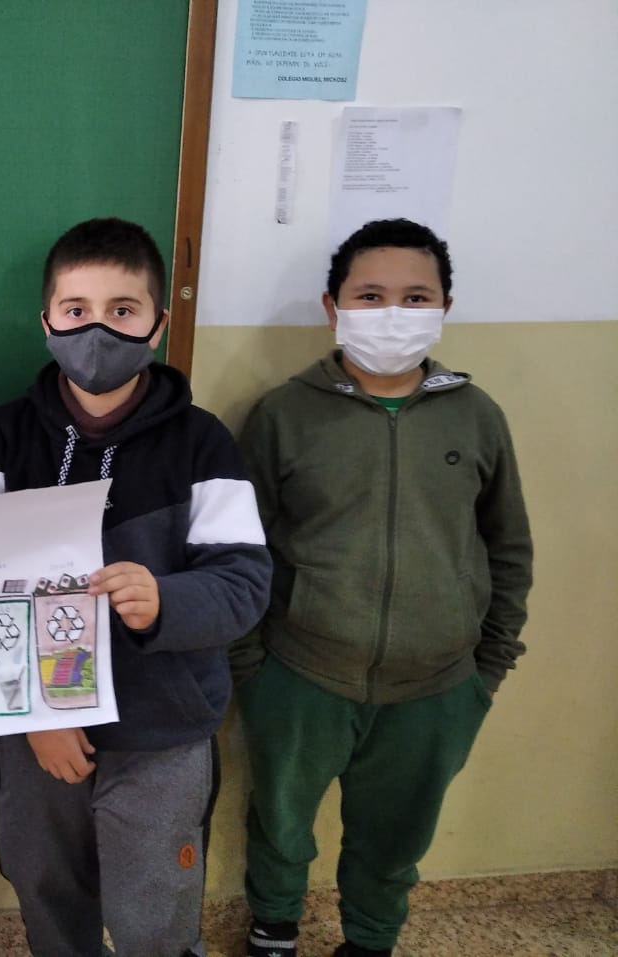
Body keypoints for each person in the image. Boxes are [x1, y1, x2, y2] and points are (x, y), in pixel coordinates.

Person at [0, 217, 272, 956]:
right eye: (76, 310)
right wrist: (34, 711)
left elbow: (245, 583)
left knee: (155, 914)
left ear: (158, 325)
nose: (97, 329)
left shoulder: (203, 443)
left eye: (123, 310)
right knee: (47, 892)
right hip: (35, 732)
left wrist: (166, 602)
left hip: (163, 733)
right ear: (47, 323)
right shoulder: (0, 441)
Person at [233, 219, 534, 957]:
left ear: (444, 307)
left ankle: (370, 938)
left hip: (437, 685)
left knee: (397, 833)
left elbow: (507, 546)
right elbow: (241, 548)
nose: (393, 312)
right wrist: (250, 669)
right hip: (300, 675)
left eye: (415, 297)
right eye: (370, 295)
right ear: (333, 306)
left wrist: (488, 669)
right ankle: (274, 926)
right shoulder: (283, 415)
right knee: (280, 819)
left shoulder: (477, 416)